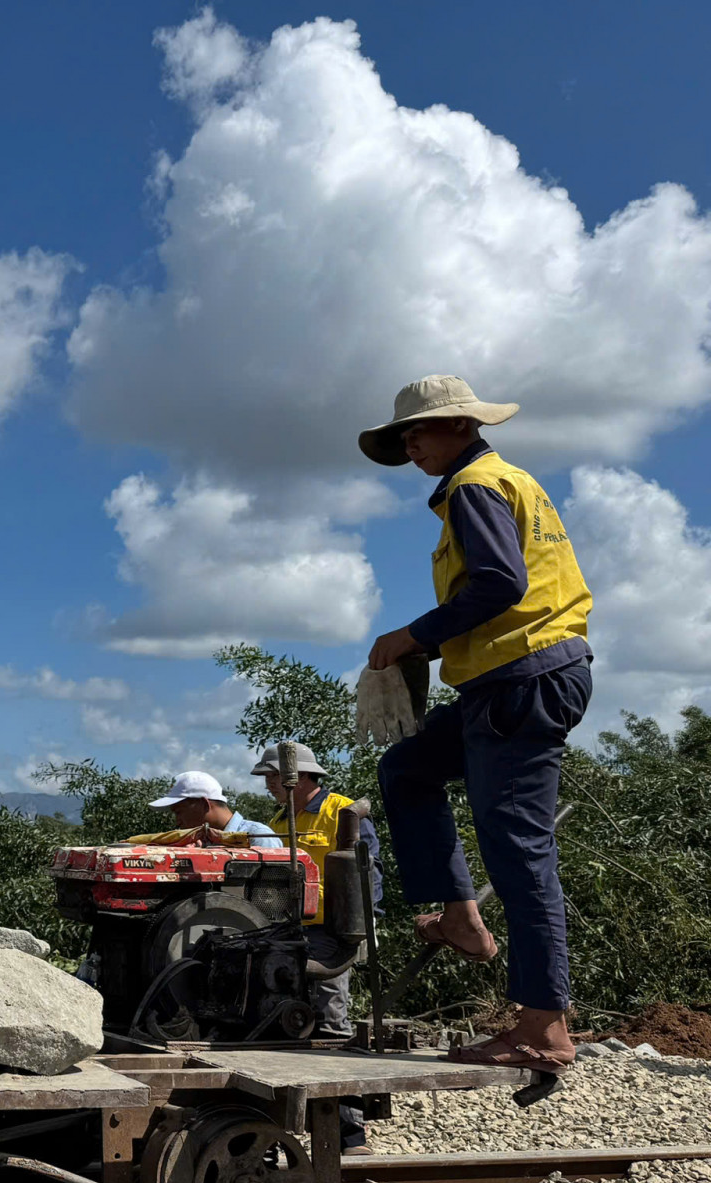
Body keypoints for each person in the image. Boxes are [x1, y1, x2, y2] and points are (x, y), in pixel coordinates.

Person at [360, 376, 593, 1074]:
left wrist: (413, 635)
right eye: (404, 436)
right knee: (407, 769)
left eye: (420, 431)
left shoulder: (474, 486)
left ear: (461, 425)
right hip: (507, 680)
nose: (411, 445)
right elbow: (510, 591)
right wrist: (429, 646)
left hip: (522, 682)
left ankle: (544, 1028)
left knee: (520, 852)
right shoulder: (505, 482)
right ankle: (461, 917)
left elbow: (500, 583)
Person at [252, 743, 383, 1039]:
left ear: (300, 775)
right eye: (266, 777)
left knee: (328, 1005)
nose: (268, 783)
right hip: (288, 925)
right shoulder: (278, 822)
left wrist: (367, 917)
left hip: (332, 927)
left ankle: (333, 1046)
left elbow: (369, 868)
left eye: (273, 775)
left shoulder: (341, 811)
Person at [147, 771, 284, 846]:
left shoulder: (257, 837)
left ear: (204, 804)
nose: (178, 821)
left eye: (179, 812)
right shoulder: (201, 843)